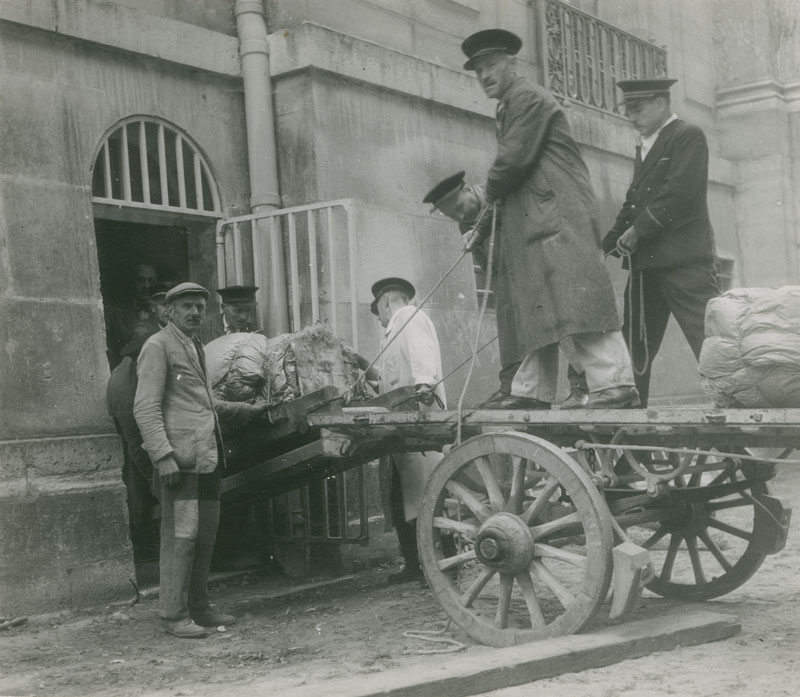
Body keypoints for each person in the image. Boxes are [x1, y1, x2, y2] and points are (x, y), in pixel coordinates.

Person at [460, 28, 640, 410]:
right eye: (478, 71)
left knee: (577, 301)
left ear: (512, 64)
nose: (485, 75)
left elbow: (511, 163)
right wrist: (487, 218)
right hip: (540, 217)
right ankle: (529, 392)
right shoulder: (514, 101)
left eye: (491, 65)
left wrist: (485, 201)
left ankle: (614, 384)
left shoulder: (526, 97)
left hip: (559, 215)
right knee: (538, 307)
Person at [134, 282, 268, 638]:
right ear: (170, 311)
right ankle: (172, 615)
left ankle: (200, 608)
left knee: (203, 537)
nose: (195, 312)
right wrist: (163, 456)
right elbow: (144, 408)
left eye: (199, 307)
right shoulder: (157, 346)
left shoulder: (195, 346)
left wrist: (249, 410)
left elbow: (208, 404)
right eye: (187, 306)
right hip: (181, 463)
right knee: (181, 538)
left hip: (207, 457)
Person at [423, 171, 590, 405]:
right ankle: (511, 388)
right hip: (511, 280)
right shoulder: (465, 224)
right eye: (452, 215)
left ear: (468, 190)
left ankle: (582, 387)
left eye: (459, 208)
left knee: (565, 330)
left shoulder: (500, 196)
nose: (459, 217)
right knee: (510, 331)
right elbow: (490, 266)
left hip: (544, 268)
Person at [602, 78, 719, 407]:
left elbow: (678, 193)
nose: (631, 117)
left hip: (686, 266)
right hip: (646, 270)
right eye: (628, 110)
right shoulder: (646, 145)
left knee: (712, 347)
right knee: (633, 353)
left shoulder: (687, 136)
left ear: (660, 103)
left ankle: (745, 437)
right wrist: (604, 245)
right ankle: (628, 441)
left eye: (636, 109)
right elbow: (633, 201)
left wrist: (637, 231)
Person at [370, 277, 445, 584]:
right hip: (402, 428)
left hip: (420, 423)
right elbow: (391, 376)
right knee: (404, 497)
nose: (380, 319)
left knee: (427, 495)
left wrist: (425, 383)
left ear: (386, 302)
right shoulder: (392, 331)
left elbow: (421, 353)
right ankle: (415, 565)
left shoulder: (406, 316)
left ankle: (439, 564)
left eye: (378, 311)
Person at [106, 330, 160, 568]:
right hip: (131, 444)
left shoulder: (138, 371)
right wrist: (154, 481)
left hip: (139, 437)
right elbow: (136, 445)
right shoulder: (126, 388)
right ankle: (146, 552)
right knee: (139, 492)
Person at [105, 262, 157, 368]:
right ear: (131, 282)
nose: (146, 286)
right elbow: (109, 351)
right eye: (141, 280)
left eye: (151, 281)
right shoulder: (115, 313)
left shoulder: (165, 312)